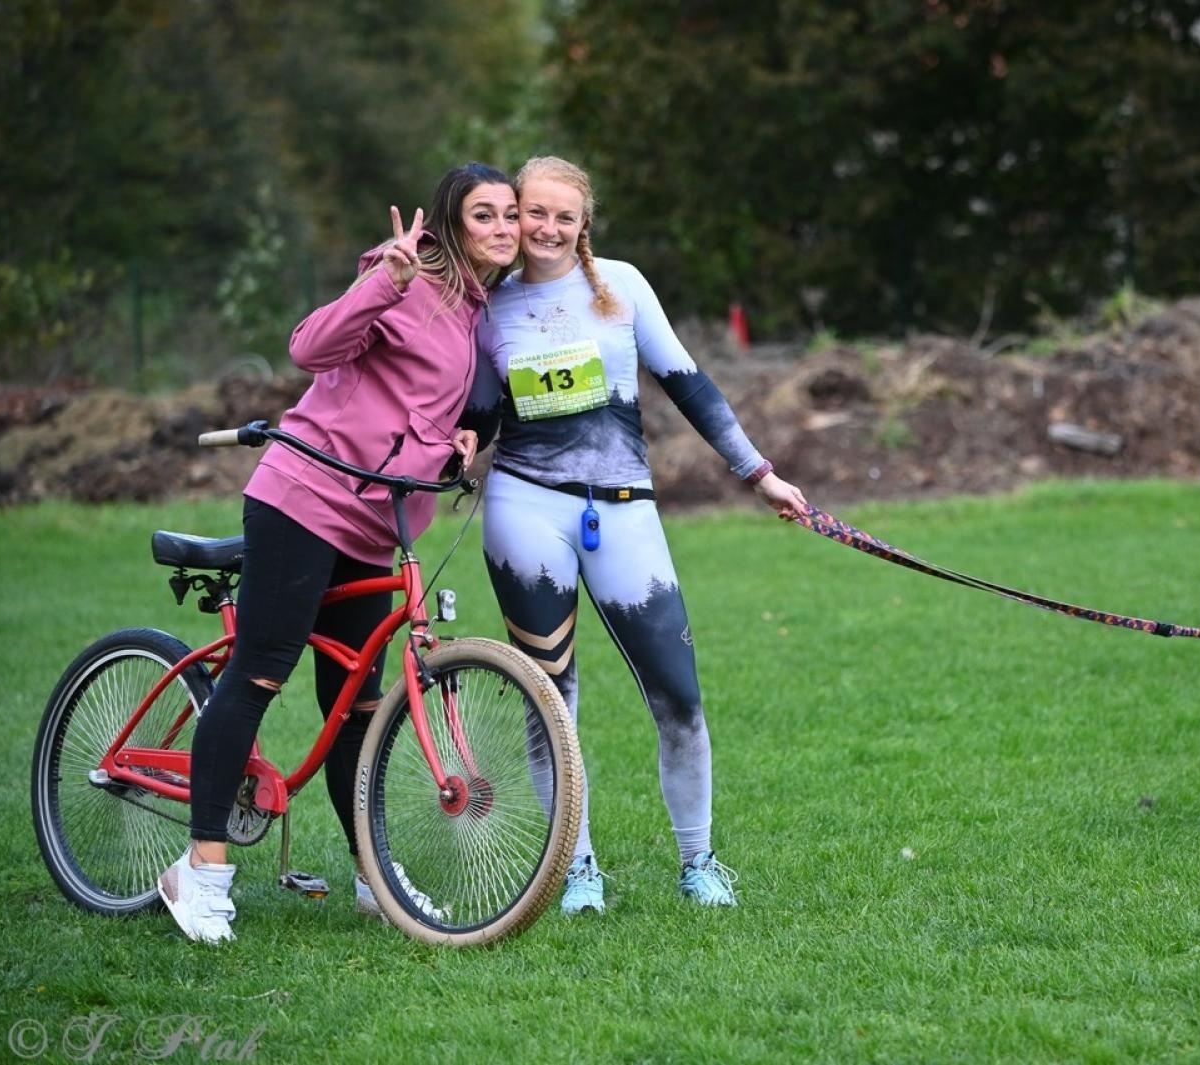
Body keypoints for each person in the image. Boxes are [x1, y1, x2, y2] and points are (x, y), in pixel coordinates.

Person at [157, 163, 521, 944]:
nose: (502, 226)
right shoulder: (402, 278)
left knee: (354, 705)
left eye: (511, 214)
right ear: (451, 227)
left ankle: (375, 877)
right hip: (306, 497)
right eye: (484, 214)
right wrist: (383, 281)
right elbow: (308, 348)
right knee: (258, 673)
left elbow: (418, 407)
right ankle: (202, 869)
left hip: (374, 523)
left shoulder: (473, 313)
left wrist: (456, 443)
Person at [474, 155, 807, 914]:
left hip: (622, 510)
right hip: (524, 508)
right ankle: (577, 867)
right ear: (513, 216)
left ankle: (699, 859)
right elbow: (475, 413)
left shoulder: (620, 286)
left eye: (564, 215)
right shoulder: (488, 306)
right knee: (550, 697)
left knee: (678, 696)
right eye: (533, 213)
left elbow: (690, 385)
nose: (547, 228)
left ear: (583, 224)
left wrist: (759, 475)